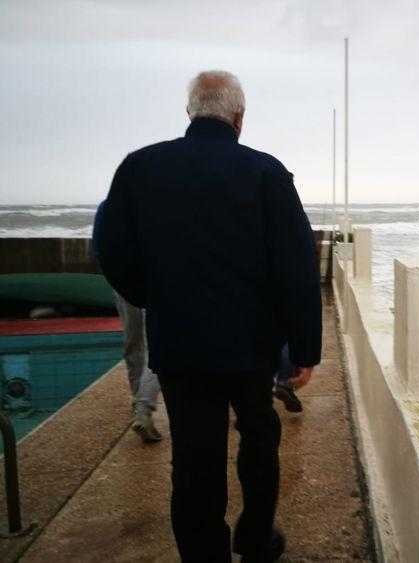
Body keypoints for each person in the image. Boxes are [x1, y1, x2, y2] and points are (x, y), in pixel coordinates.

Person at [97, 70, 322, 563]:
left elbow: (110, 249)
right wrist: (304, 349)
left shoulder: (139, 168)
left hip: (180, 344)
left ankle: (205, 554)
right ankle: (256, 539)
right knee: (259, 436)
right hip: (251, 347)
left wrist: (154, 295)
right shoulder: (266, 172)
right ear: (239, 116)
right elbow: (298, 267)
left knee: (195, 457)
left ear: (190, 111)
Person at [91, 201, 163, 442]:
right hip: (156, 282)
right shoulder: (160, 204)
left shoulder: (108, 206)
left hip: (123, 284)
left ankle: (137, 402)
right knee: (156, 346)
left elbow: (98, 250)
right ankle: (144, 410)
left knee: (133, 344)